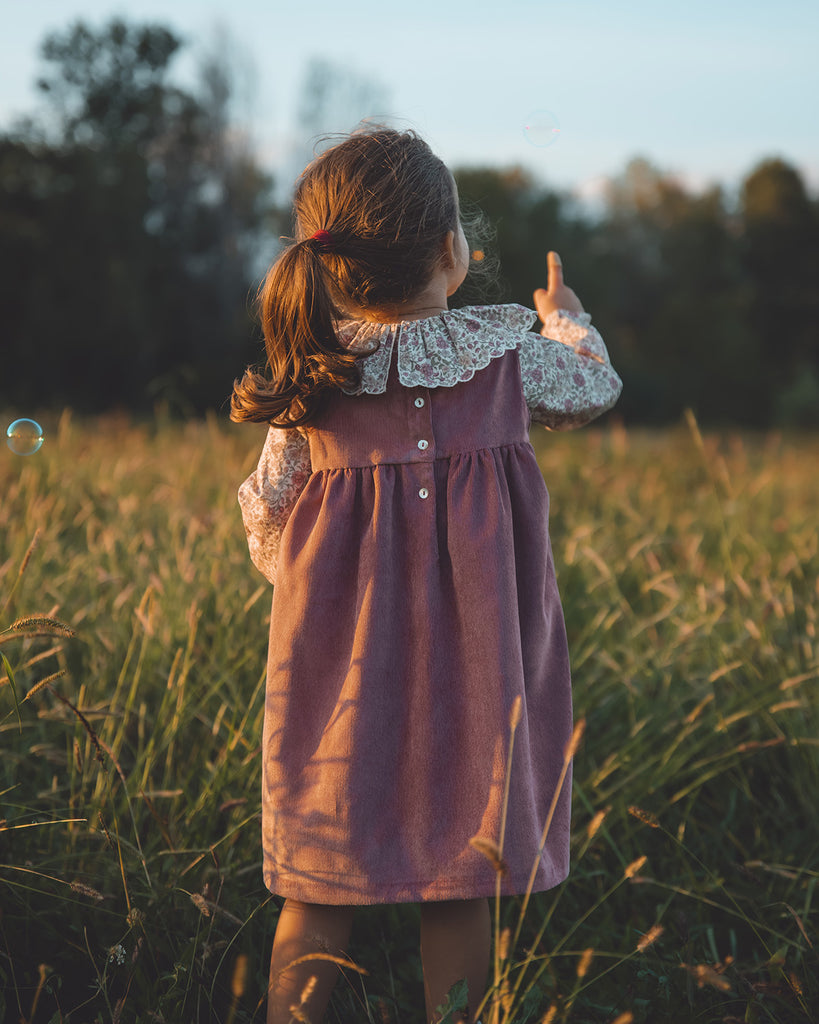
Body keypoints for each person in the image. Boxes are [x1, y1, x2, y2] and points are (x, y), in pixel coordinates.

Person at [232, 127, 622, 1024]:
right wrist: (566, 315)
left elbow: (265, 515)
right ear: (453, 252)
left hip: (341, 670)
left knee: (320, 876)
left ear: (324, 264)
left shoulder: (313, 382)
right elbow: (593, 388)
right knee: (460, 871)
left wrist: (316, 598)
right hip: (479, 669)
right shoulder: (509, 356)